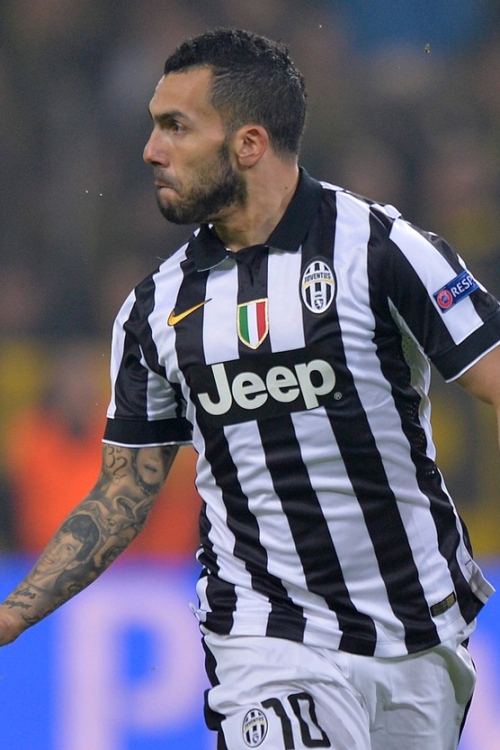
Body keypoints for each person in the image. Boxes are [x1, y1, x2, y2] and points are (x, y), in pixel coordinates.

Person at [1, 27, 499, 750]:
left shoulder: (381, 249)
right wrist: (13, 613)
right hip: (265, 636)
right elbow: (124, 491)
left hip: (418, 633)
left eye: (176, 127)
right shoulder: (156, 310)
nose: (151, 150)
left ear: (249, 144)